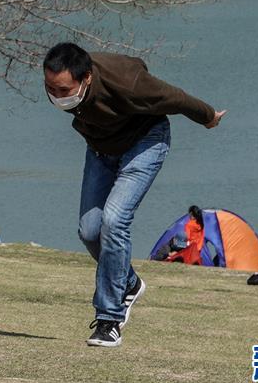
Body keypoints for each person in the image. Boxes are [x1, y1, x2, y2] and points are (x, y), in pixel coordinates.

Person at [43, 43, 225, 348]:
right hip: (101, 148)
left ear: (87, 77)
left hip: (145, 142)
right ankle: (129, 283)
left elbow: (176, 98)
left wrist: (208, 116)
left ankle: (109, 320)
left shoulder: (126, 81)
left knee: (114, 221)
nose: (57, 95)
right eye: (51, 88)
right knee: (90, 231)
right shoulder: (61, 81)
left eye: (64, 90)